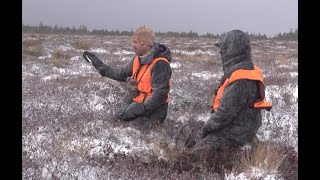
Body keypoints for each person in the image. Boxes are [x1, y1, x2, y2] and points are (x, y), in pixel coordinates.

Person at [82, 26, 172, 128]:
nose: (132, 45)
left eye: (135, 42)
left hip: (155, 112)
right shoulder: (137, 59)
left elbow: (160, 95)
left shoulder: (160, 64)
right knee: (117, 122)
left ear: (145, 44)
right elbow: (121, 74)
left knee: (129, 129)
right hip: (138, 104)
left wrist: (141, 108)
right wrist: (101, 66)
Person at [201, 29, 272, 150]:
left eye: (223, 51)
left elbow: (225, 113)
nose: (221, 54)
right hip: (242, 127)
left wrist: (207, 128)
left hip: (236, 134)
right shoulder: (245, 70)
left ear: (232, 50)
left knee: (199, 152)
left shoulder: (241, 79)